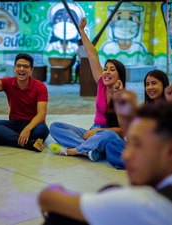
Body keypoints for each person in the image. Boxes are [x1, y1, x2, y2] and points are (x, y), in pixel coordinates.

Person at [39, 102, 172, 225]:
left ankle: (79, 150)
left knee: (59, 218)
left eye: (138, 145)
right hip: (93, 136)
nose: (126, 155)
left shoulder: (145, 204)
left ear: (171, 151)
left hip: (104, 137)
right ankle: (86, 149)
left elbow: (47, 197)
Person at [49, 17, 126, 165]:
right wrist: (81, 31)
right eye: (105, 69)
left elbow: (123, 131)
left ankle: (76, 150)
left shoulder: (124, 97)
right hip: (93, 130)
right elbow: (92, 55)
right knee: (55, 127)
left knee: (107, 136)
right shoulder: (101, 84)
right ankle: (90, 150)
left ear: (120, 76)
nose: (107, 72)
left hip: (109, 134)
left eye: (112, 70)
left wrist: (99, 132)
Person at [0, 51, 49, 152]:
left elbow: (41, 114)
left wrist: (27, 129)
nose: (21, 69)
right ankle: (30, 144)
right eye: (18, 66)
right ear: (14, 68)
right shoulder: (8, 82)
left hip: (34, 125)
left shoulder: (40, 87)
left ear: (31, 70)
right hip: (15, 123)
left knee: (43, 130)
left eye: (25, 66)